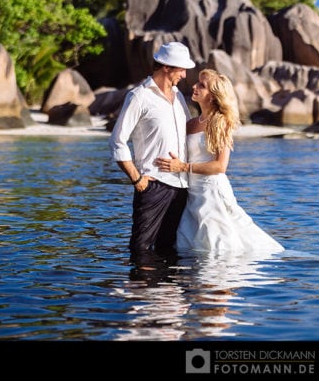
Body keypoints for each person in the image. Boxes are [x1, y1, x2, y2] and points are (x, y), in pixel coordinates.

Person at [155, 69, 284, 254]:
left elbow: (220, 166)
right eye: (197, 83)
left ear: (214, 96)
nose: (194, 86)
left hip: (211, 192)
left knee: (219, 245)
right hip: (191, 193)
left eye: (202, 85)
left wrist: (183, 167)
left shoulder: (220, 122)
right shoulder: (190, 124)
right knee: (189, 244)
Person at [109, 41, 196, 253]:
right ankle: (142, 286)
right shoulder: (139, 96)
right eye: (181, 69)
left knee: (169, 249)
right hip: (153, 186)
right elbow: (117, 140)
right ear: (166, 67)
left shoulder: (178, 98)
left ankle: (166, 288)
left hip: (182, 186)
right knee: (142, 248)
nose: (184, 75)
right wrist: (136, 178)